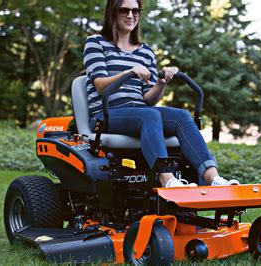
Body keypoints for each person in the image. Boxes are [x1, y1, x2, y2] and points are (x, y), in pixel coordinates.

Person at [83, 0, 240, 188]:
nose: (131, 15)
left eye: (135, 11)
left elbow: (148, 99)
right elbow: (100, 86)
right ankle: (167, 180)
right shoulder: (96, 43)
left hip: (140, 112)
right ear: (113, 12)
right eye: (124, 10)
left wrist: (161, 82)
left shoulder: (145, 52)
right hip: (106, 115)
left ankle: (212, 178)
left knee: (181, 115)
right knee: (150, 115)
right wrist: (129, 72)